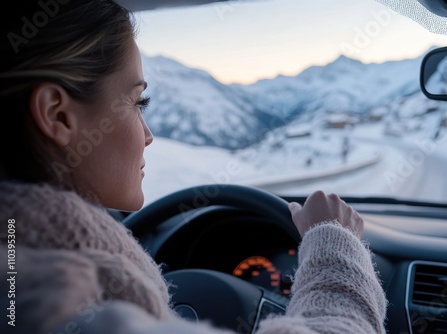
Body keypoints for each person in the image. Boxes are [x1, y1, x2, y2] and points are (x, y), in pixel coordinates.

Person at [0, 1, 387, 333]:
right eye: (138, 103)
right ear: (59, 116)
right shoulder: (66, 303)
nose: (148, 135)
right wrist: (333, 244)